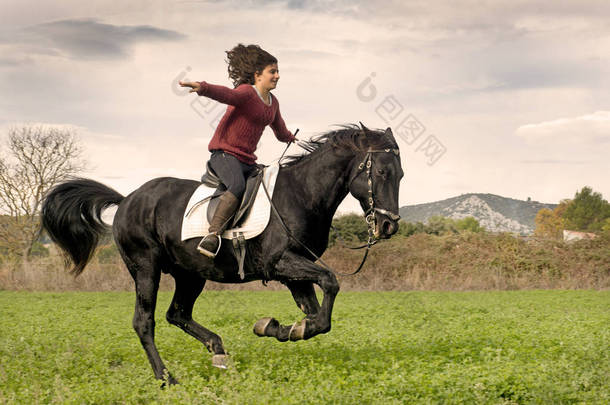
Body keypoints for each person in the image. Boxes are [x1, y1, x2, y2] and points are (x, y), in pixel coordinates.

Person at [180, 44, 297, 258]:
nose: (278, 76)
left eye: (278, 71)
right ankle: (212, 235)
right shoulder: (246, 93)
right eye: (273, 71)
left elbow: (280, 131)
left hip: (247, 161)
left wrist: (291, 138)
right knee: (236, 185)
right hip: (224, 155)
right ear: (258, 75)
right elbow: (225, 94)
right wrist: (203, 87)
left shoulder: (273, 103)